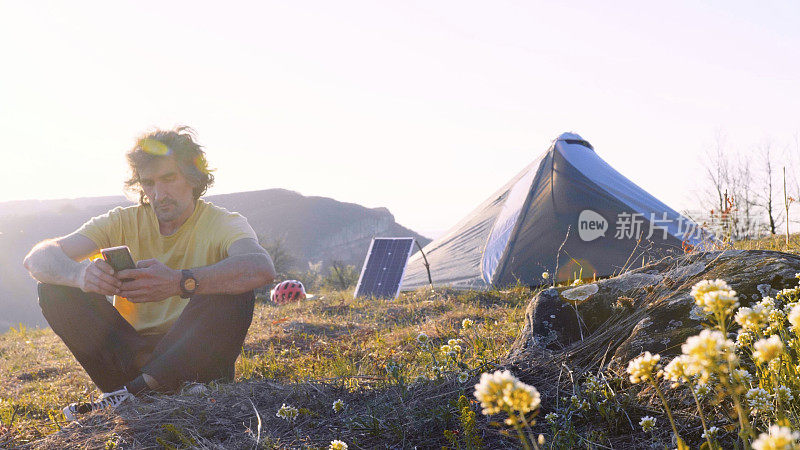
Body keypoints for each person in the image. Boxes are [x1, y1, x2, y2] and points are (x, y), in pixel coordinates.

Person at [23, 126, 275, 420]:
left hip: (196, 352)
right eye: (149, 183)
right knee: (54, 289)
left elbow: (260, 267)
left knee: (235, 287)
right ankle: (143, 390)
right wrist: (80, 275)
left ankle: (135, 395)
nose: (159, 193)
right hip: (129, 360)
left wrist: (180, 282)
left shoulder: (222, 222)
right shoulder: (122, 221)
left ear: (193, 179)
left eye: (169, 179)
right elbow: (37, 258)